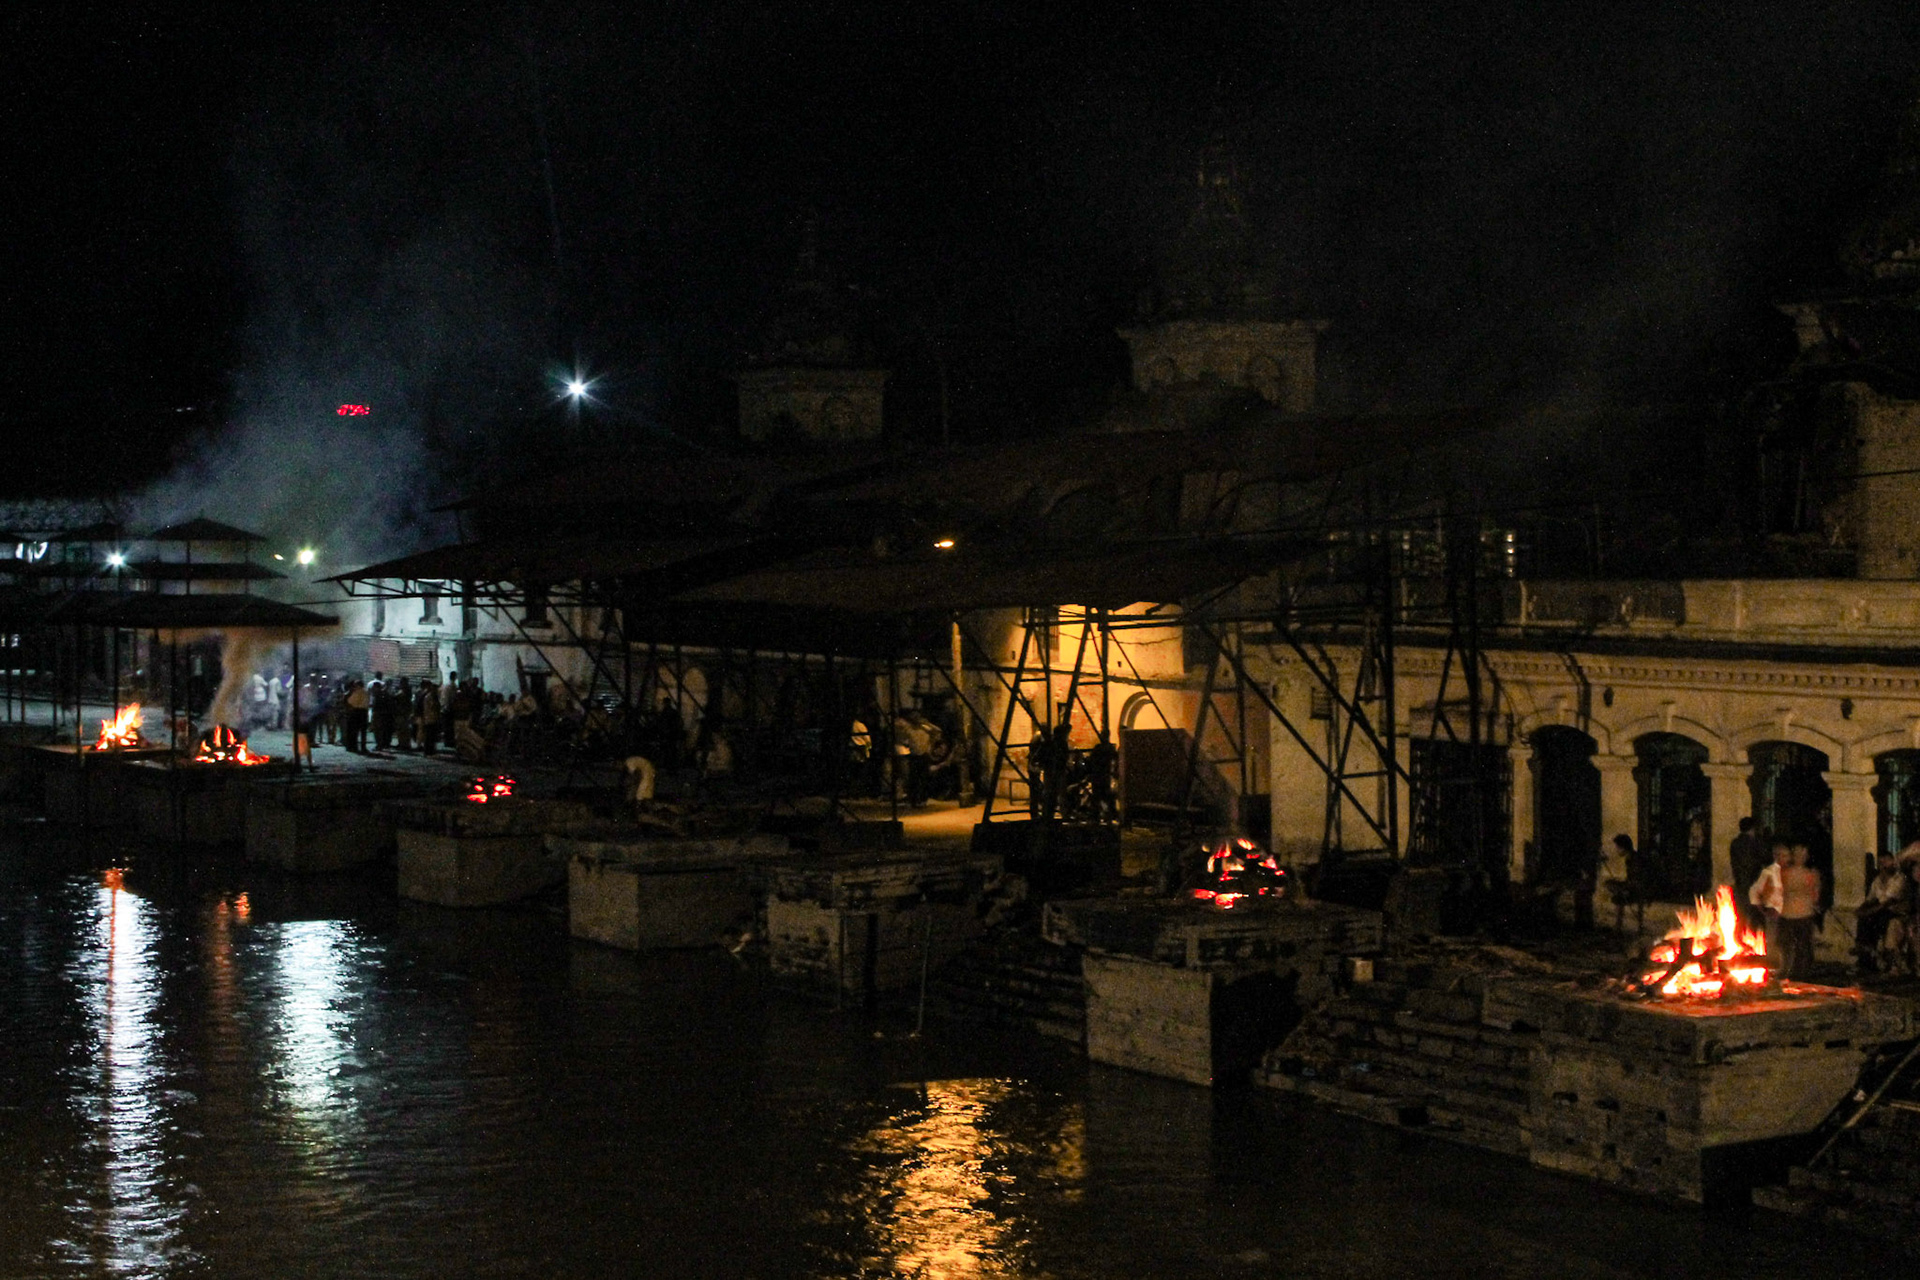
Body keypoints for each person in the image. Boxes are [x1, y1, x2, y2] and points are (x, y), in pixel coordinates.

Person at [1775, 844, 1822, 980]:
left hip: (1788, 913)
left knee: (1787, 945)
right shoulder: (1811, 875)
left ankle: (1787, 970)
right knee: (1803, 946)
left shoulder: (1784, 874)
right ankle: (1800, 973)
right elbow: (1815, 895)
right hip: (1804, 913)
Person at [1855, 852, 1907, 973]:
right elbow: (1870, 899)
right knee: (1864, 921)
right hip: (1880, 912)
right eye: (1881, 863)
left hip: (1895, 912)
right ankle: (1864, 956)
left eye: (1886, 862)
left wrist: (1867, 912)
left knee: (1873, 920)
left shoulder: (1899, 879)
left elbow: (1887, 903)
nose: (1883, 866)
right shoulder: (1877, 880)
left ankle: (1871, 953)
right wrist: (1860, 909)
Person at [1729, 817, 1768, 932]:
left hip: (1740, 883)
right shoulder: (1755, 843)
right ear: (1752, 828)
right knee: (1756, 914)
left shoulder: (1735, 843)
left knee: (1741, 915)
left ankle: (1741, 938)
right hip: (1754, 883)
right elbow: (1765, 859)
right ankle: (1757, 938)